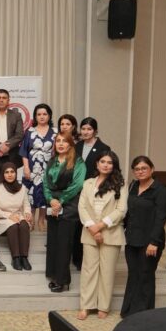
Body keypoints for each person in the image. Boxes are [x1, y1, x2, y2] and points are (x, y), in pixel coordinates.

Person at [77, 151, 127, 320]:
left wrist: (100, 226)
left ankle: (103, 306)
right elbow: (82, 207)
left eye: (110, 162)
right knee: (89, 270)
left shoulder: (120, 184)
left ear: (114, 166)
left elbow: (121, 210)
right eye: (103, 161)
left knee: (107, 271)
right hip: (89, 232)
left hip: (111, 233)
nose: (106, 165)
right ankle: (86, 305)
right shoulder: (88, 183)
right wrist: (92, 228)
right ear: (97, 164)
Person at [121, 156, 166, 318]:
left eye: (144, 168)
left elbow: (161, 217)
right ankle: (129, 311)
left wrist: (154, 242)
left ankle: (143, 314)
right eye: (136, 169)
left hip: (150, 241)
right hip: (132, 239)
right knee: (133, 274)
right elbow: (128, 212)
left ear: (152, 169)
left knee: (145, 275)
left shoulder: (160, 189)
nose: (140, 171)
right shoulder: (133, 186)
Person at [44, 132, 86, 293]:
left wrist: (60, 201)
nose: (61, 144)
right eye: (58, 141)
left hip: (69, 206)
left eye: (64, 141)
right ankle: (54, 276)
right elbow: (45, 183)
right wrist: (51, 200)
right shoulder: (52, 161)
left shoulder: (78, 162)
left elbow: (77, 185)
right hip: (53, 205)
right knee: (53, 243)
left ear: (70, 144)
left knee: (64, 245)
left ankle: (63, 282)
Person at [73, 116, 110, 270]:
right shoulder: (76, 146)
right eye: (83, 129)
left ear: (95, 131)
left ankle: (90, 260)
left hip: (95, 190)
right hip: (77, 189)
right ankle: (77, 258)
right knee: (78, 222)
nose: (86, 132)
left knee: (92, 221)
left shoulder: (103, 148)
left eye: (89, 129)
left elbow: (107, 169)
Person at [0, 162, 33, 271]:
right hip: (2, 218)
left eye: (12, 172)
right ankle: (16, 258)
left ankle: (24, 257)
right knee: (13, 226)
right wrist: (9, 215)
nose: (10, 175)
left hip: (18, 215)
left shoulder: (22, 188)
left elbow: (26, 205)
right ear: (3, 174)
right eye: (6, 172)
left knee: (24, 225)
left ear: (16, 173)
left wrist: (27, 213)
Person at [20, 104, 56, 232]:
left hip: (49, 168)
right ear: (35, 116)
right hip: (32, 168)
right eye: (39, 114)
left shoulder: (55, 132)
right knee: (31, 194)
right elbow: (24, 151)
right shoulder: (29, 131)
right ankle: (31, 220)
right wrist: (26, 168)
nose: (42, 117)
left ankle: (41, 220)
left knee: (45, 194)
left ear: (49, 116)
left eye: (44, 114)